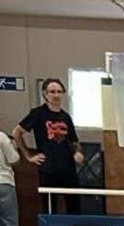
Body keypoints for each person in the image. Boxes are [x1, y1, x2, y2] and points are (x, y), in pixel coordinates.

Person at [14, 79, 81, 213]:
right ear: (45, 94)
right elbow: (16, 133)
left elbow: (74, 140)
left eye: (59, 92)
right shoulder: (38, 114)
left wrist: (77, 152)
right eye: (52, 92)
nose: (56, 95)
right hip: (48, 169)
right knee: (50, 209)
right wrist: (28, 155)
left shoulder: (66, 117)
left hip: (68, 169)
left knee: (74, 207)